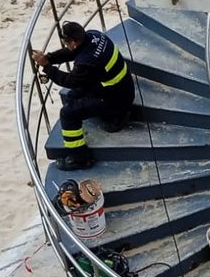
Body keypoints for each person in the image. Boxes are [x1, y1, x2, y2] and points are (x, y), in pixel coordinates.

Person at [29, 21, 136, 171]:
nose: (66, 45)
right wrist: (49, 58)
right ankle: (117, 115)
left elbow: (69, 81)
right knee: (73, 97)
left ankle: (80, 158)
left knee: (67, 114)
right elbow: (74, 52)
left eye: (66, 43)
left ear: (72, 42)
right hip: (122, 87)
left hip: (115, 98)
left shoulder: (86, 62)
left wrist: (47, 67)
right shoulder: (94, 35)